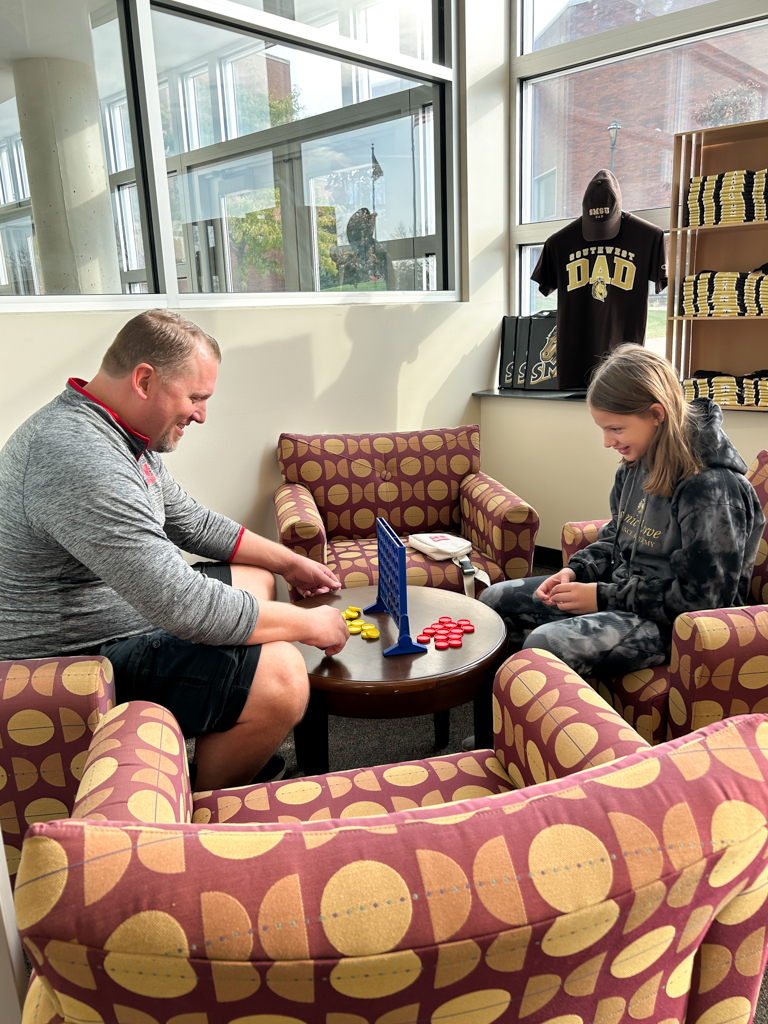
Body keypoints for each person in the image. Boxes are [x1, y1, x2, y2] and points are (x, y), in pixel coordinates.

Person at [0, 309, 350, 790]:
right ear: (144, 379)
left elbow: (191, 521)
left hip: (115, 611)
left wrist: (290, 562)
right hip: (72, 659)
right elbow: (185, 607)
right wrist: (311, 623)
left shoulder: (120, 434)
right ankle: (206, 803)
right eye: (196, 397)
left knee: (257, 578)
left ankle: (229, 743)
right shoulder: (79, 456)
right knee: (284, 676)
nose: (202, 414)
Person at [479, 344, 765, 679]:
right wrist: (576, 572)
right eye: (602, 428)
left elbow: (704, 600)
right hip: (626, 597)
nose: (606, 442)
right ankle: (495, 732)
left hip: (680, 627)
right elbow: (616, 536)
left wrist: (601, 598)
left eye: (615, 429)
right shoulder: (635, 463)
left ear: (657, 414)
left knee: (547, 644)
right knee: (495, 601)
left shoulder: (712, 490)